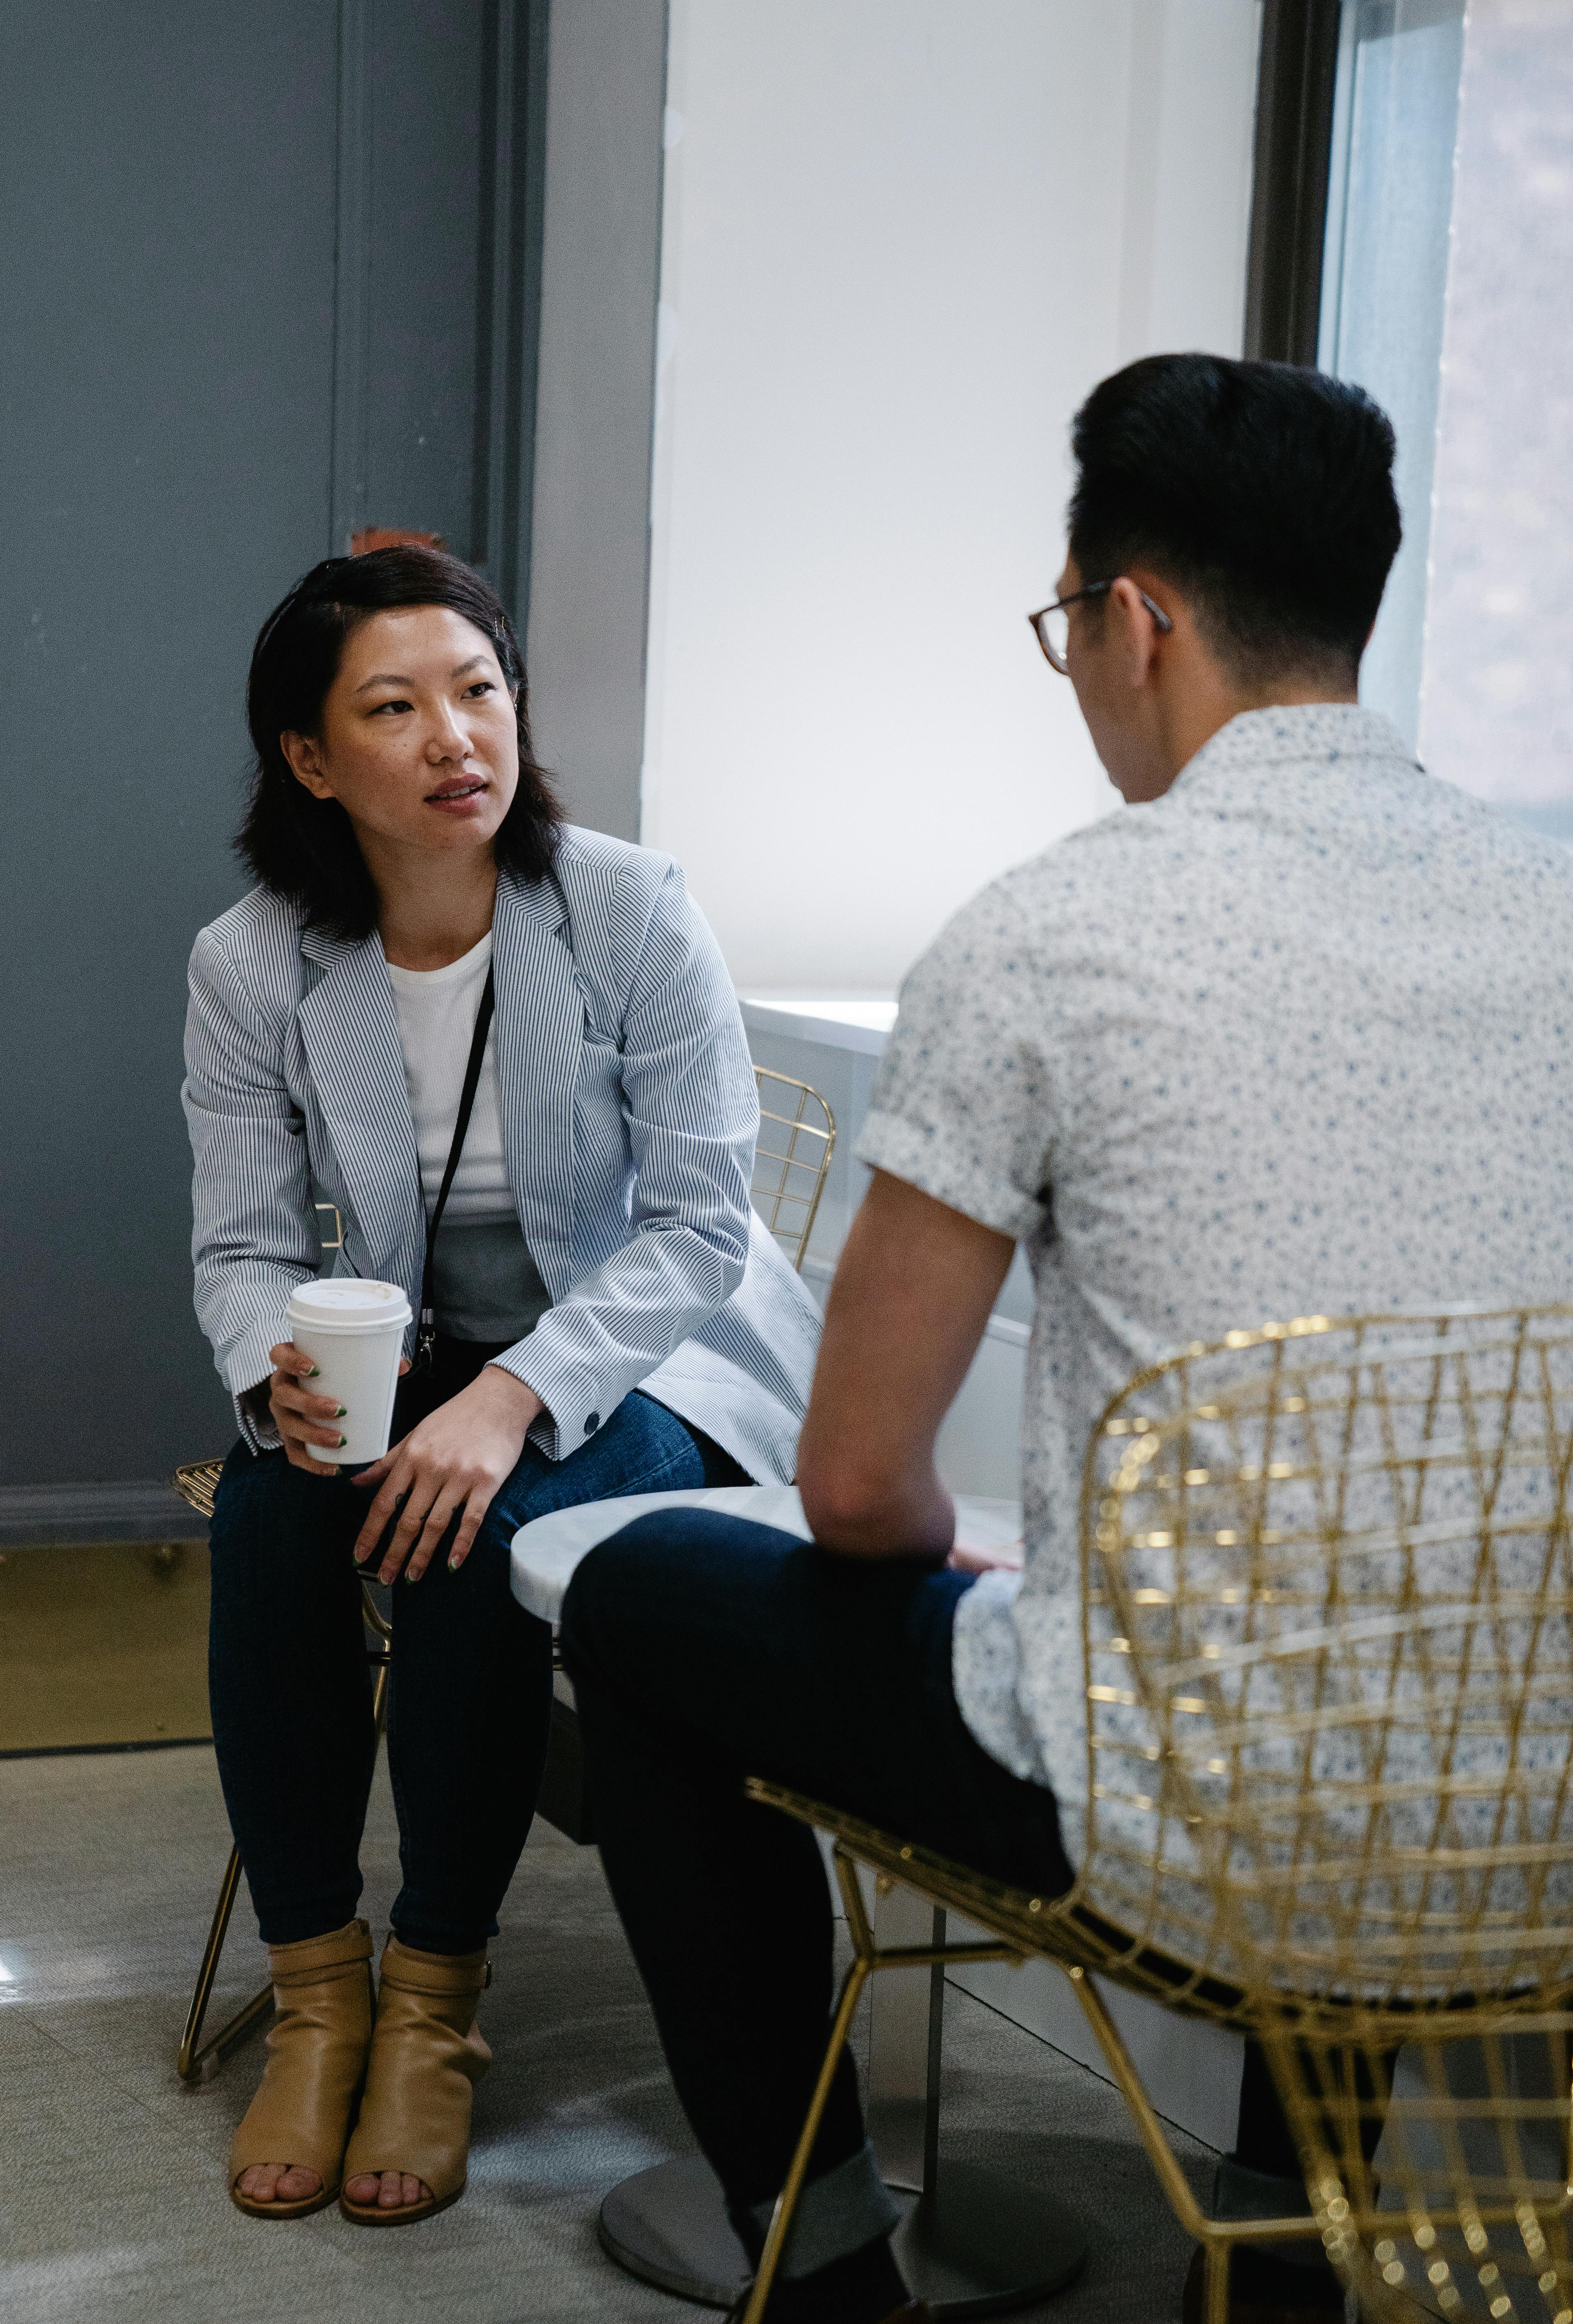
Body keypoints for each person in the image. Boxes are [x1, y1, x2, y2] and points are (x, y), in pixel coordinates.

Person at [558, 353, 1573, 2324]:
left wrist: (994, 1567)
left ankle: (831, 2262)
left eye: (1065, 628)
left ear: (1135, 619)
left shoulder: (1047, 935)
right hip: (1530, 1776)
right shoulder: (1554, 913)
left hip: (1188, 1819)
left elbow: (855, 1489)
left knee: (643, 1599)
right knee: (1383, 1640)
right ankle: (1283, 2283)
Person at [183, 545, 820, 2226]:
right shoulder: (253, 962)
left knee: (461, 1530)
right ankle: (318, 1996)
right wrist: (277, 1384)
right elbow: (241, 1245)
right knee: (269, 1520)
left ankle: (434, 2007)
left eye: (480, 690)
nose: (457, 735)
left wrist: (517, 1397)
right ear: (313, 761)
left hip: (651, 1351)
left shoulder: (628, 907)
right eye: (395, 707)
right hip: (416, 1351)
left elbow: (697, 1227)